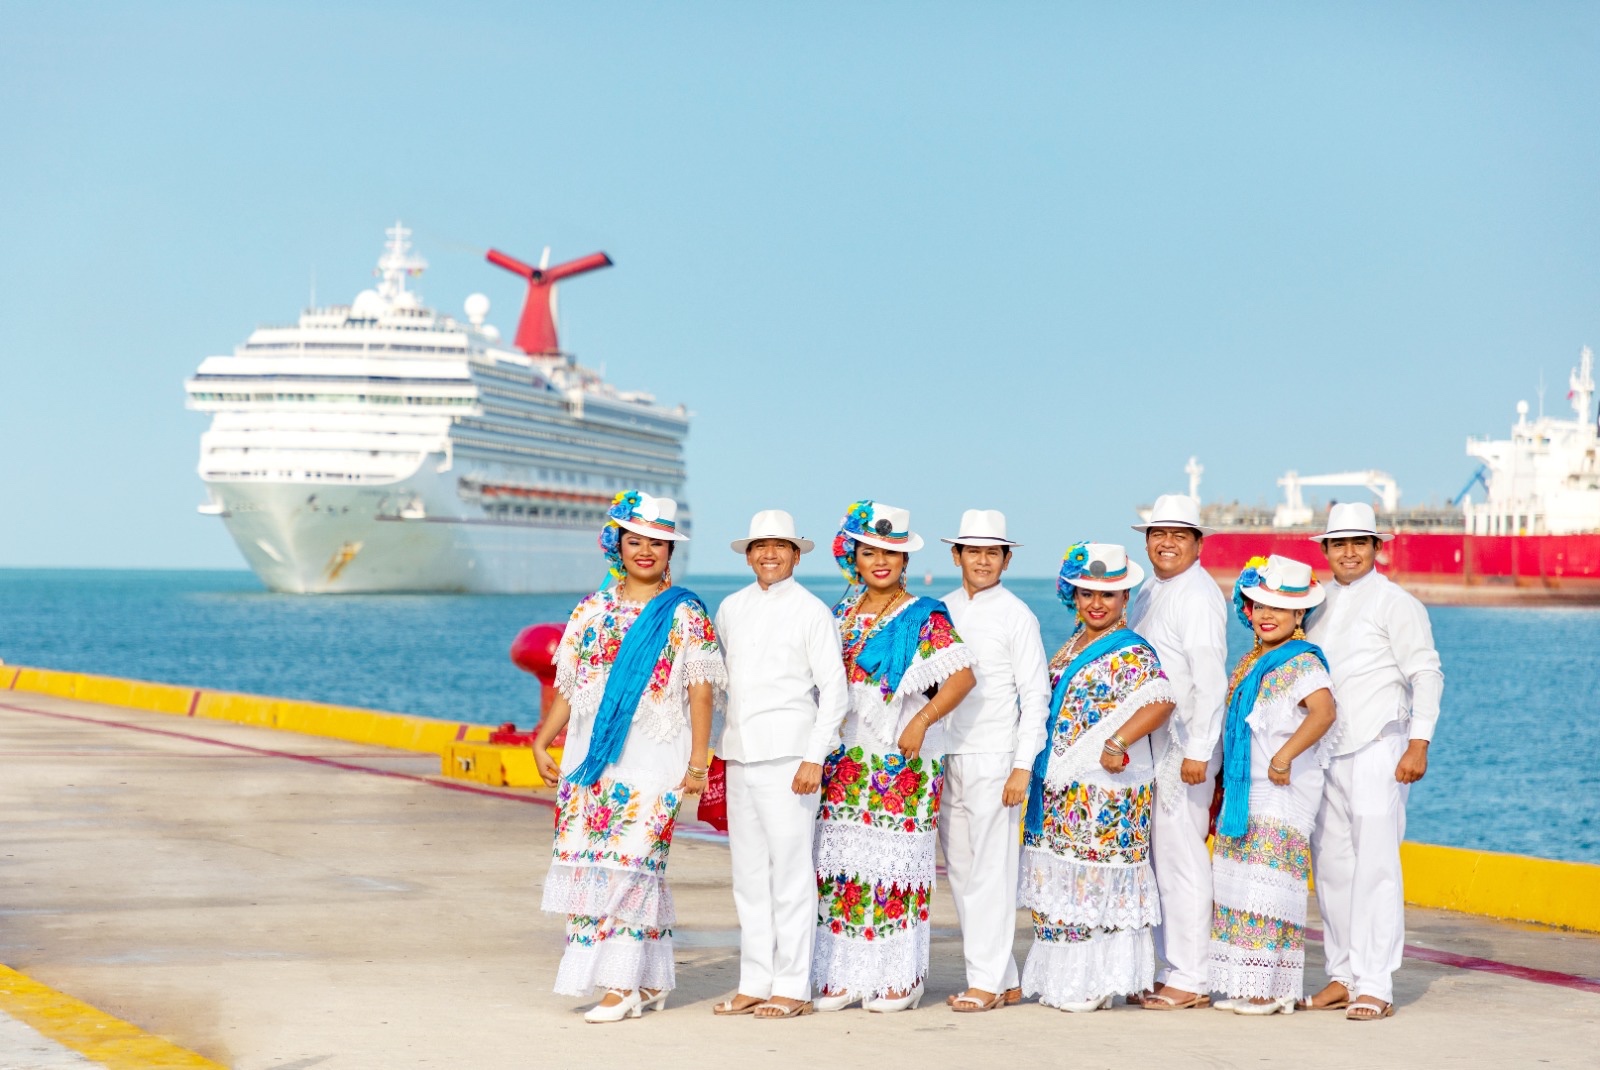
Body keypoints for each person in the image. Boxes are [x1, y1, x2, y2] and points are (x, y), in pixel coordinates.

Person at [532, 490, 726, 1023]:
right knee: (592, 865)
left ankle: (620, 986)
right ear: (616, 545)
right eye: (634, 540)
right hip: (590, 760)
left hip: (653, 759)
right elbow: (571, 685)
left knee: (634, 867)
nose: (645, 551)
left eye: (656, 543)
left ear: (670, 551)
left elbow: (701, 691)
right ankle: (647, 981)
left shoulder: (684, 612)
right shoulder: (591, 609)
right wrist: (542, 739)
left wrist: (698, 763)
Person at [813, 500, 976, 1013]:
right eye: (869, 551)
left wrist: (922, 720)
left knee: (895, 867)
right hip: (847, 758)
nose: (880, 561)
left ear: (905, 560)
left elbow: (962, 678)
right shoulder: (839, 615)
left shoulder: (923, 615)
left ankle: (899, 978)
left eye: (891, 552)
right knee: (843, 866)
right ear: (854, 558)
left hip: (903, 759)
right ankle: (843, 974)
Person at [1020, 542, 1176, 1012]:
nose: (1096, 603)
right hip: (1065, 789)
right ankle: (1068, 978)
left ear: (1125, 598)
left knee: (1096, 880)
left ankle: (1098, 982)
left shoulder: (1131, 650)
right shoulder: (1073, 645)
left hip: (1108, 790)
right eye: (1087, 593)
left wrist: (1117, 741)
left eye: (1107, 595)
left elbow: (1160, 700)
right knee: (1066, 881)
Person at [1303, 502, 1443, 1021]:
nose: (1349, 552)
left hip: (1380, 746)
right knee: (1333, 867)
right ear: (1325, 549)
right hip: (1326, 751)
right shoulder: (1316, 605)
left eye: (1359, 543)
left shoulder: (1396, 603)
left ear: (1376, 548)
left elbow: (1426, 673)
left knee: (1377, 867)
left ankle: (1376, 983)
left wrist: (1418, 743)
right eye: (1339, 543)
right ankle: (1342, 975)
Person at [712, 510, 849, 1020]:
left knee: (791, 875)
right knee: (748, 875)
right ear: (748, 555)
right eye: (760, 546)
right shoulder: (731, 608)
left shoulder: (812, 611)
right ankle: (755, 980)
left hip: (791, 757)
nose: (769, 554)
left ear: (795, 555)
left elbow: (834, 692)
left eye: (780, 546)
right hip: (740, 753)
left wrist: (814, 757)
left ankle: (792, 986)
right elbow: (722, 683)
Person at [1208, 555, 1337, 1015]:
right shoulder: (1256, 659)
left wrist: (1285, 755)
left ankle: (1269, 989)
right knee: (1243, 884)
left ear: (1299, 613)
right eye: (1259, 605)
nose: (1266, 615)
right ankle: (1249, 983)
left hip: (1281, 788)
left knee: (1270, 886)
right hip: (1250, 789)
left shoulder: (1301, 662)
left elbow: (1324, 712)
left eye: (1278, 608)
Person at [936, 509, 1050, 1013]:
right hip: (947, 755)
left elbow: (1036, 695)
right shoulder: (940, 610)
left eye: (992, 553)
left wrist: (1022, 765)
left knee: (992, 873)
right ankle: (1002, 977)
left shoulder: (1016, 614)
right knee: (962, 873)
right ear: (957, 555)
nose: (982, 561)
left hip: (996, 756)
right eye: (973, 552)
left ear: (1006, 559)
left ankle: (983, 982)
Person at [1126, 494, 1230, 1011]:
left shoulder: (1198, 595)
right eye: (1158, 534)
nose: (1167, 543)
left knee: (1183, 859)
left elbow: (1210, 679)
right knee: (1160, 861)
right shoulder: (1151, 589)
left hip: (1184, 748)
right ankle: (1171, 968)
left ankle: (1193, 977)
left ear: (1197, 544)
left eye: (1179, 536)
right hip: (1153, 745)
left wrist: (1199, 750)